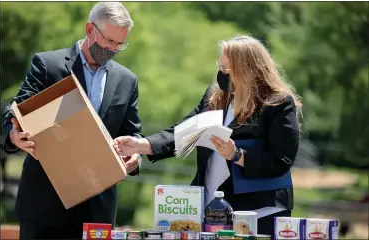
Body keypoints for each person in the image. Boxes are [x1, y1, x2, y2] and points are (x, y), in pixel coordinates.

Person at [114, 35, 302, 237]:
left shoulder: (277, 103)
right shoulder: (215, 97)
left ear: (247, 70)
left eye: (226, 70)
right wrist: (140, 145)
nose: (221, 75)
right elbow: (183, 131)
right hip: (210, 207)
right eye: (219, 67)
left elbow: (281, 160)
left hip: (258, 211)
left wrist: (237, 155)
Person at [1, 2, 143, 239]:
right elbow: (16, 109)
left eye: (120, 44)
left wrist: (135, 155)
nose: (113, 49)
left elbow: (133, 132)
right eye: (109, 41)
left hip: (97, 211)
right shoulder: (48, 65)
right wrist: (13, 135)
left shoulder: (128, 81)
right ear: (90, 29)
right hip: (44, 206)